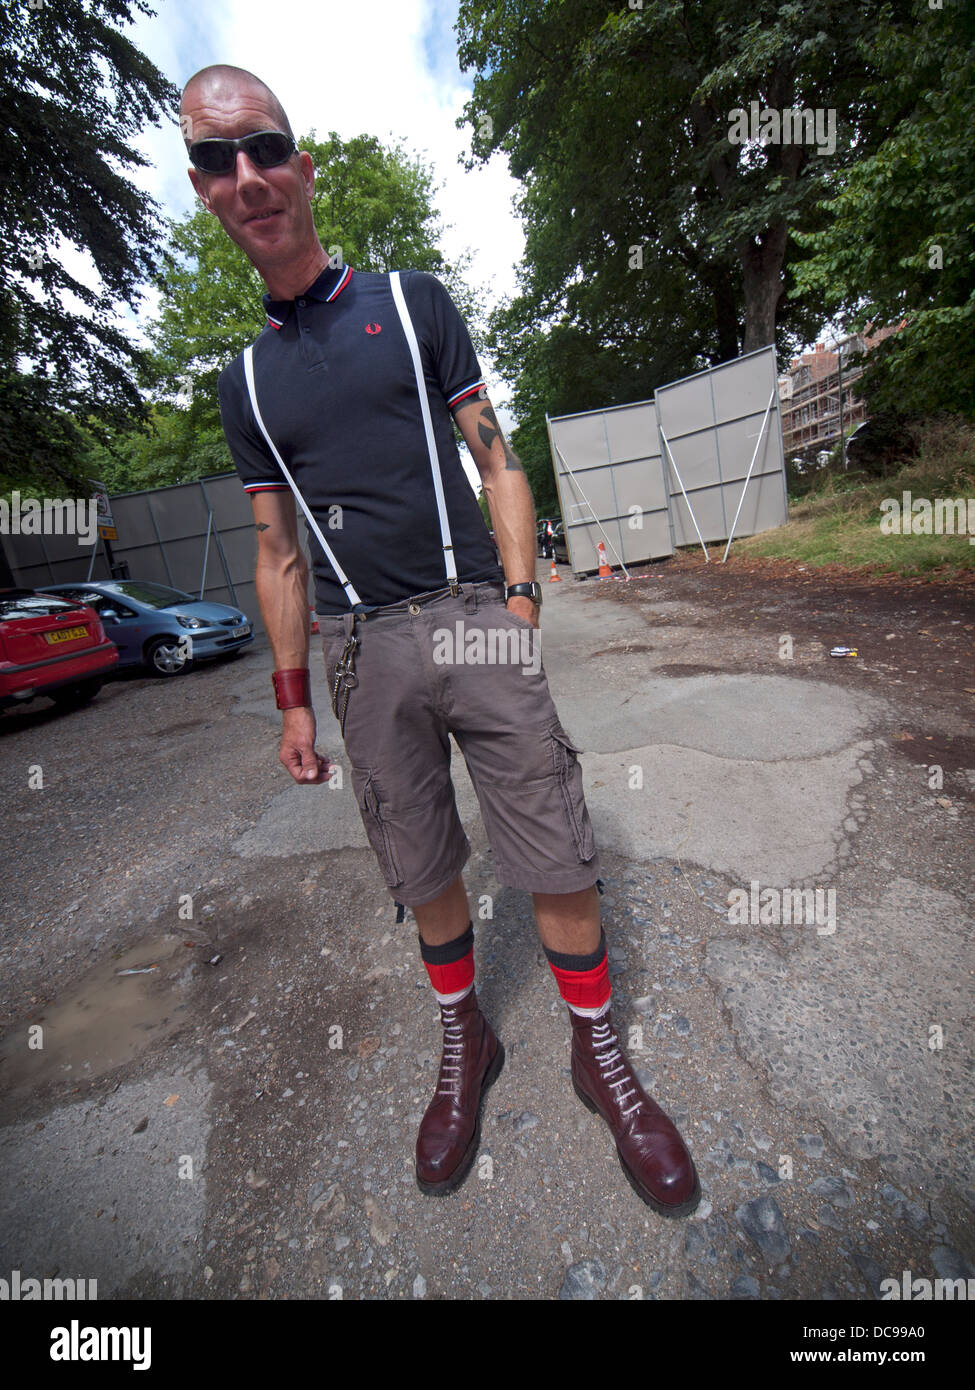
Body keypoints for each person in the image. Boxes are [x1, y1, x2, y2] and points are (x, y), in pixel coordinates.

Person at [180, 64, 699, 1216]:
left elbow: (497, 460)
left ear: (302, 166)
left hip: (474, 615)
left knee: (553, 845)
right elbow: (276, 556)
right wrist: (293, 701)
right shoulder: (246, 386)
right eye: (217, 161)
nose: (247, 176)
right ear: (205, 191)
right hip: (362, 650)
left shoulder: (414, 305)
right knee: (419, 862)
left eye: (263, 148)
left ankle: (595, 1049)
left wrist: (520, 602)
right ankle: (467, 1036)